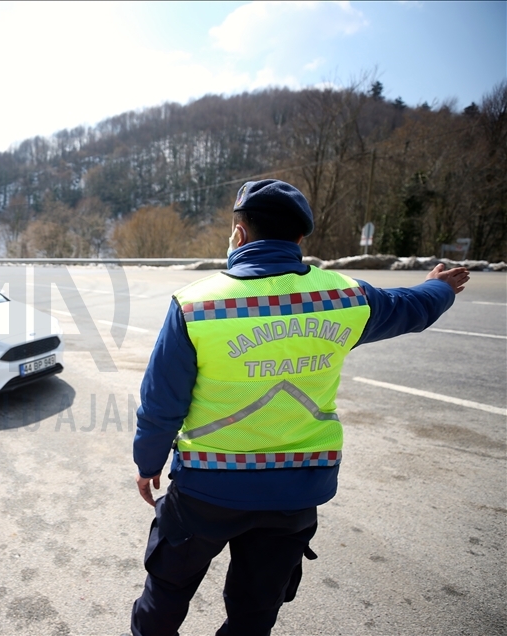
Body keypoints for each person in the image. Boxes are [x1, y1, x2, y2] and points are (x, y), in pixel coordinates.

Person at [130, 179, 470, 636]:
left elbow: (161, 403)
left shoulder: (196, 304)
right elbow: (411, 306)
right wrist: (440, 288)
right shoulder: (345, 297)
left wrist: (147, 463)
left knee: (167, 592)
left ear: (239, 233)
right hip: (295, 494)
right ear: (300, 237)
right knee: (255, 610)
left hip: (207, 491)